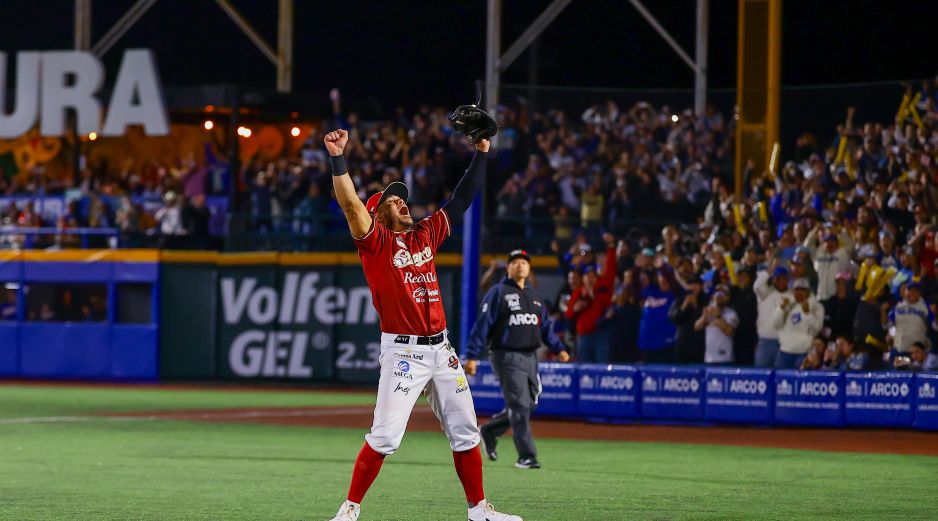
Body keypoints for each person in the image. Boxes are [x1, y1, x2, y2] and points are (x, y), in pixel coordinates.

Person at [322, 129, 521, 521]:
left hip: (441, 351)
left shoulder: (426, 233)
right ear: (378, 212)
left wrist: (481, 152)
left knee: (467, 432)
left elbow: (462, 199)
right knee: (384, 437)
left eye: (403, 198)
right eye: (393, 200)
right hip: (404, 352)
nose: (402, 201)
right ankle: (349, 509)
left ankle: (479, 510)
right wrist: (337, 158)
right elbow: (349, 204)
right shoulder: (375, 242)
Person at [465, 249, 571, 470]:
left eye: (524, 262)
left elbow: (546, 329)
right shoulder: (498, 292)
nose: (520, 265)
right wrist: (472, 356)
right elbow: (482, 325)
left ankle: (490, 430)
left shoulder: (535, 298)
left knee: (528, 403)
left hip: (530, 356)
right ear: (509, 268)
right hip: (506, 355)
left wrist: (559, 348)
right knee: (520, 404)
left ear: (529, 269)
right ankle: (526, 455)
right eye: (515, 262)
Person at [564, 234, 617, 362]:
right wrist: (576, 309)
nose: (590, 278)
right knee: (585, 374)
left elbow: (611, 269)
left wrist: (611, 247)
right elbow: (569, 314)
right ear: (583, 278)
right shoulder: (578, 292)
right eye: (587, 275)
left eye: (592, 275)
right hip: (583, 337)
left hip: (601, 335)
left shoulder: (603, 288)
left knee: (602, 370)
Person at [772, 278, 825, 368]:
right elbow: (775, 325)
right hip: (784, 352)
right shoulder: (786, 304)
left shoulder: (817, 307)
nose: (800, 293)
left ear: (808, 292)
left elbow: (817, 328)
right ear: (793, 291)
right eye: (797, 290)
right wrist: (781, 309)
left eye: (803, 290)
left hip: (804, 352)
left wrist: (807, 313)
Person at [753, 266, 792, 367]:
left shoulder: (791, 296)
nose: (781, 281)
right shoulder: (765, 293)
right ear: (773, 279)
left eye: (784, 278)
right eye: (778, 278)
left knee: (781, 376)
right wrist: (768, 272)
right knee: (761, 376)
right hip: (765, 341)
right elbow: (757, 286)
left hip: (783, 342)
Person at [694, 286, 738, 364]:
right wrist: (704, 317)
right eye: (717, 293)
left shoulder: (731, 314)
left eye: (723, 294)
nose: (719, 295)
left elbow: (729, 331)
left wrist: (718, 315)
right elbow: (696, 327)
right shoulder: (709, 311)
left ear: (728, 298)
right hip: (709, 358)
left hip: (725, 359)